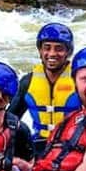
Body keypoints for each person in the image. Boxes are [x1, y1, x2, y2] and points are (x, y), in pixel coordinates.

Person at [9, 23, 81, 154]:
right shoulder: (27, 82)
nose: (52, 54)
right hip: (39, 145)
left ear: (68, 52)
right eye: (47, 48)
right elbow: (10, 120)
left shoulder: (80, 80)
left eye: (59, 49)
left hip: (73, 145)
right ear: (40, 51)